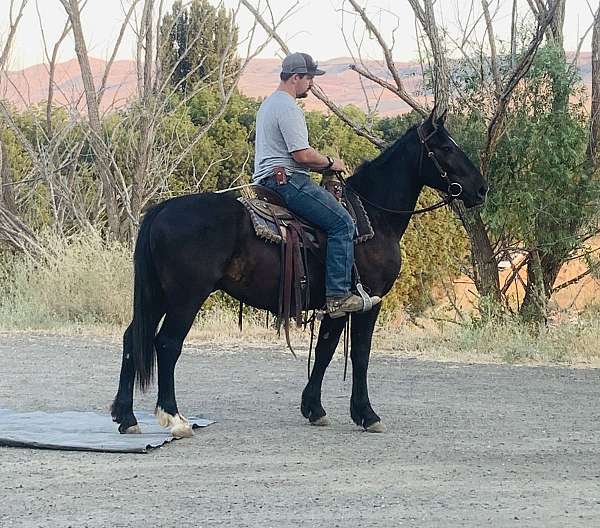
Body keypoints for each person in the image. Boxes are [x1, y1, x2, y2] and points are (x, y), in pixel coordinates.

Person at [252, 52, 381, 319]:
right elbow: (302, 155)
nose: (312, 83)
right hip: (287, 181)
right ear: (296, 77)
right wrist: (331, 162)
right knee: (343, 224)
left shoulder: (268, 104)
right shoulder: (287, 107)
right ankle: (337, 296)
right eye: (309, 78)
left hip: (267, 179)